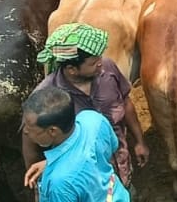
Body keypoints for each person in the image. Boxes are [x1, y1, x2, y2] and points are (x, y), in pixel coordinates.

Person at [26, 24, 148, 190]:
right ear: (72, 69)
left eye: (99, 58)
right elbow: (30, 142)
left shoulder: (108, 68)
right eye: (93, 63)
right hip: (84, 183)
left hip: (120, 169)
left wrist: (140, 142)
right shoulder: (45, 97)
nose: (100, 64)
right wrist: (42, 183)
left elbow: (125, 103)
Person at [21, 87, 130, 202]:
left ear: (52, 131)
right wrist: (51, 163)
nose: (25, 131)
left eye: (30, 127)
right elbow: (111, 148)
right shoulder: (93, 119)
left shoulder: (59, 184)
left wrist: (56, 168)